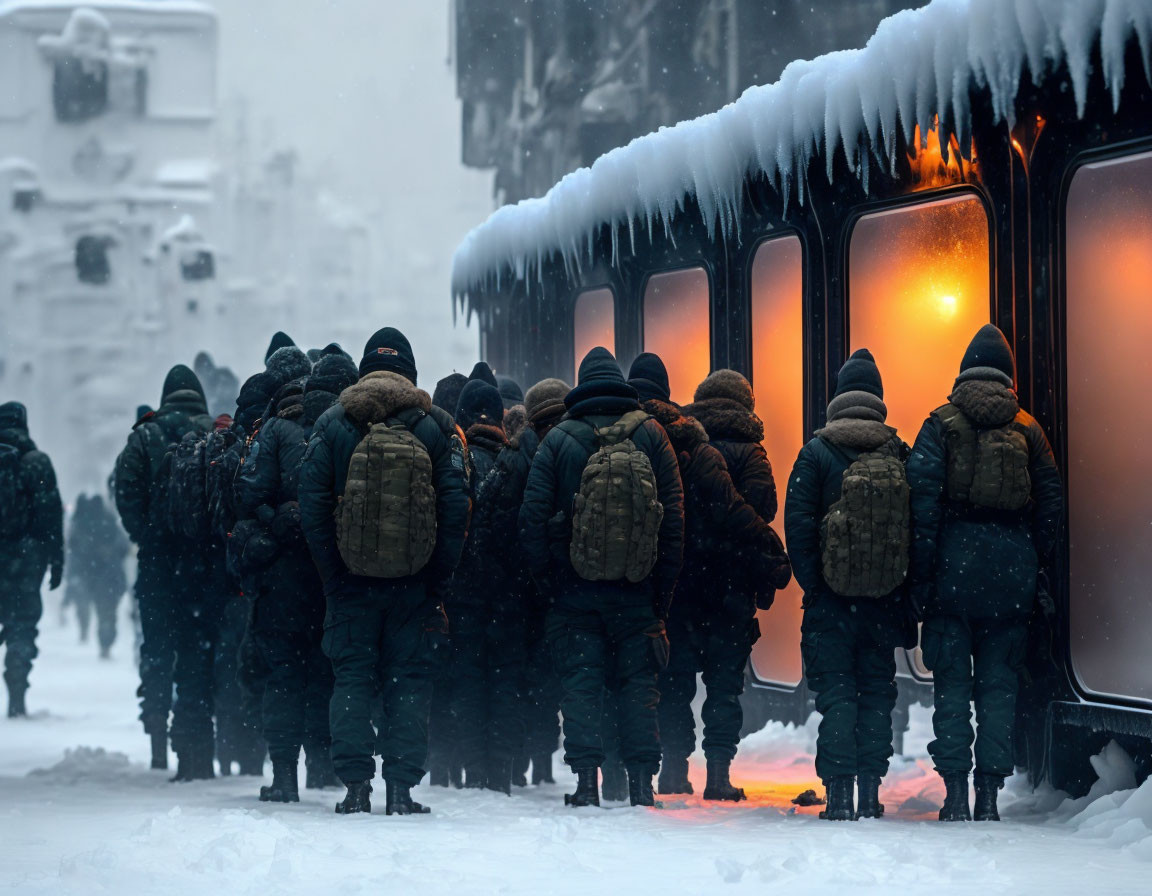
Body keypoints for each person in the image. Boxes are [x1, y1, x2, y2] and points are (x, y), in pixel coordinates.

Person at [299, 327, 469, 816]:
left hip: (350, 584)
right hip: (414, 585)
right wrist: (434, 578)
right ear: (409, 373)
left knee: (351, 678)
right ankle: (401, 789)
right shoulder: (436, 426)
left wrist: (335, 573)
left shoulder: (333, 424)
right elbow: (457, 509)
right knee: (409, 681)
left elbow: (311, 507)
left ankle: (355, 787)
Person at [907, 324, 1063, 822]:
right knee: (999, 685)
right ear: (1009, 376)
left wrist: (925, 573)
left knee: (951, 683)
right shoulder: (1028, 428)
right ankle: (990, 796)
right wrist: (1031, 557)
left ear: (964, 371)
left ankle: (955, 793)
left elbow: (922, 504)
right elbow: (1051, 504)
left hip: (953, 572)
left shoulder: (940, 424)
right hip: (1010, 574)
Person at [519, 347, 684, 808]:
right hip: (637, 590)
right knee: (638, 686)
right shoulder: (653, 435)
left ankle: (588, 782)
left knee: (582, 685)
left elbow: (531, 520)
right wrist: (659, 596)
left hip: (576, 593)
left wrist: (552, 584)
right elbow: (673, 524)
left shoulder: (557, 440)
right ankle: (640, 784)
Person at [628, 357, 790, 801]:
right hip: (729, 588)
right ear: (745, 404)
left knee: (675, 683)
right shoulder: (751, 452)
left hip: (681, 583)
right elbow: (762, 508)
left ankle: (674, 771)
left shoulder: (679, 444)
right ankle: (718, 774)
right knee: (724, 686)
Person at [784, 349, 913, 821]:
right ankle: (871, 792)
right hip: (881, 602)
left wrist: (817, 584)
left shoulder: (815, 453)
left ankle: (838, 795)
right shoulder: (898, 451)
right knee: (876, 692)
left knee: (837, 693)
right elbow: (913, 529)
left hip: (832, 605)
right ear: (877, 398)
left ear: (839, 397)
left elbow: (797, 527)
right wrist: (899, 589)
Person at [236, 352, 359, 802]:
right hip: (333, 574)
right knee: (327, 672)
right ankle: (325, 770)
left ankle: (284, 775)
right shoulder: (347, 428)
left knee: (285, 675)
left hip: (284, 577)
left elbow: (248, 491)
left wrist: (279, 517)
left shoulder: (274, 430)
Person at [114, 366, 213, 773]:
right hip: (203, 565)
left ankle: (156, 736)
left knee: (156, 650)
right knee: (196, 654)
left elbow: (124, 492)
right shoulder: (214, 432)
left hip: (157, 564)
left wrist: (146, 536)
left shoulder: (144, 435)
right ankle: (194, 753)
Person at [446, 379, 526, 793]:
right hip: (510, 599)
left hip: (464, 599)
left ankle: (475, 770)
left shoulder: (456, 461)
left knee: (469, 685)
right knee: (506, 686)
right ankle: (503, 773)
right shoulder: (517, 462)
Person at [0, 401, 63, 718]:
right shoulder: (37, 462)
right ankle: (16, 692)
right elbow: (51, 516)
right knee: (22, 627)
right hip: (27, 559)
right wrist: (56, 560)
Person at [64, 493, 129, 658]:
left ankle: (92, 633)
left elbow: (71, 551)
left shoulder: (79, 524)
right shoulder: (109, 522)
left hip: (88, 575)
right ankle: (105, 644)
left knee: (87, 608)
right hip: (109, 576)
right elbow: (123, 548)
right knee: (107, 613)